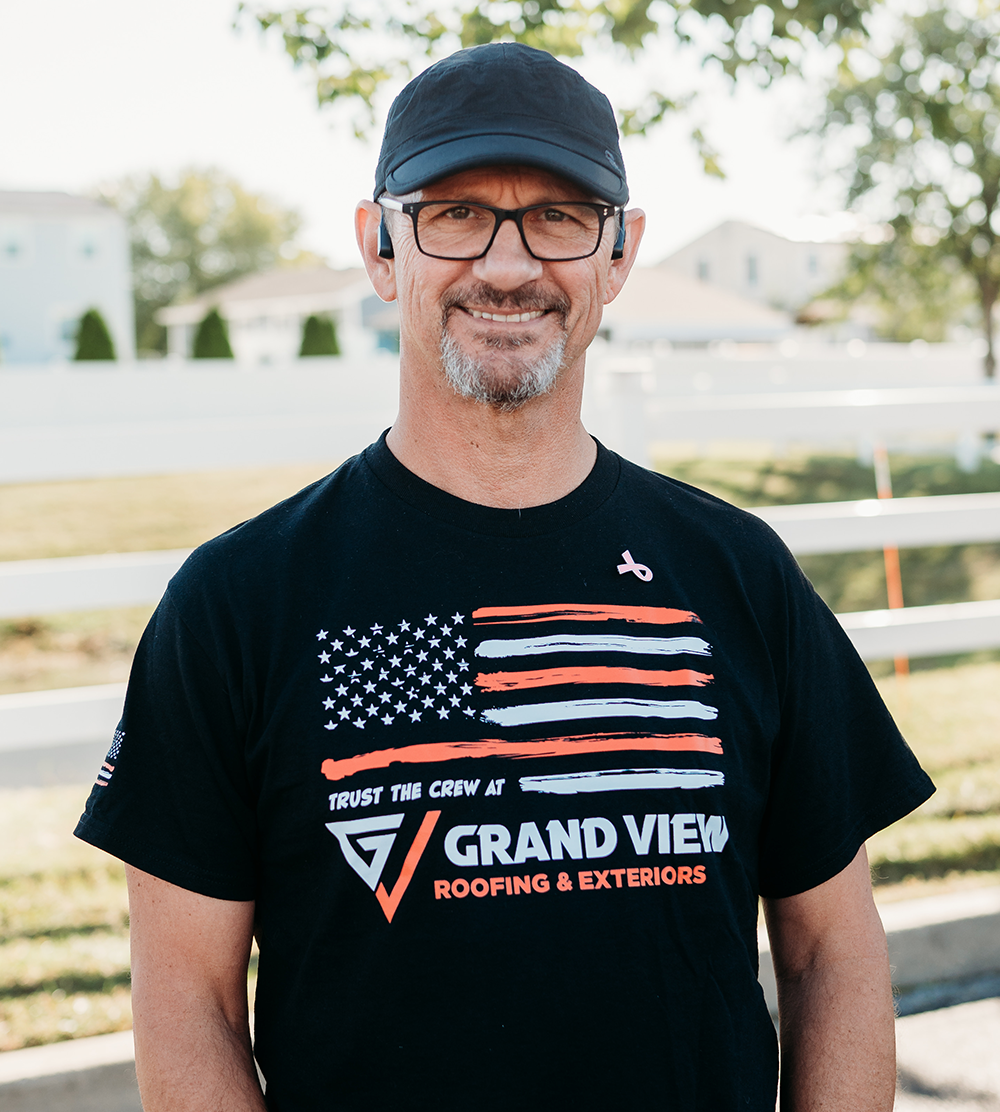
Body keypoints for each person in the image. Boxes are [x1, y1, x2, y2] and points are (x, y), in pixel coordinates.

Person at [76, 43, 933, 1112]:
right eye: (456, 213)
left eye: (559, 217)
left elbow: (832, 949)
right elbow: (184, 999)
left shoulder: (739, 575)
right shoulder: (238, 603)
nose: (510, 265)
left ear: (617, 254)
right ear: (380, 247)